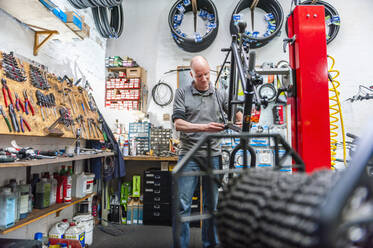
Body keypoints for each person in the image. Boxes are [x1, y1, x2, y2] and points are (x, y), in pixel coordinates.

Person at [172, 56, 242, 248]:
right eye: (199, 75)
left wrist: (239, 117)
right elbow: (178, 124)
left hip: (213, 156)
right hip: (189, 154)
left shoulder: (220, 95)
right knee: (182, 205)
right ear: (191, 74)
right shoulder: (182, 93)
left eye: (207, 74)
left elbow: (237, 116)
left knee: (212, 205)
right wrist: (205, 128)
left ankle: (210, 243)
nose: (204, 79)